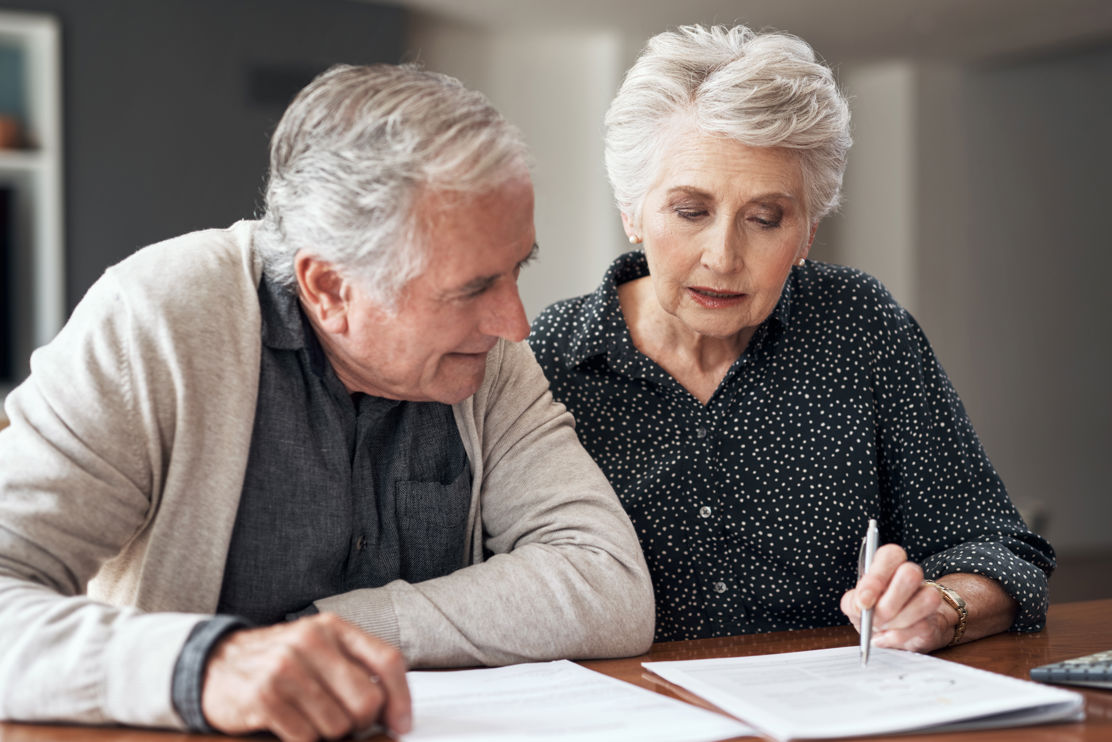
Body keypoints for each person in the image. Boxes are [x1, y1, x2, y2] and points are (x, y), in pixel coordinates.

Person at [0, 64, 654, 740]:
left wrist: (326, 633)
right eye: (473, 288)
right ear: (331, 288)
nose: (515, 323)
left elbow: (606, 584)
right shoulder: (154, 322)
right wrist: (207, 665)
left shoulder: (487, 358)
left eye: (519, 270)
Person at [529, 25, 1053, 652]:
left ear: (807, 232)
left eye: (765, 219)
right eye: (690, 211)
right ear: (631, 211)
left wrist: (943, 606)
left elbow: (999, 548)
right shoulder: (550, 355)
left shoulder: (861, 326)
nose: (722, 258)